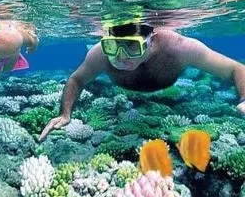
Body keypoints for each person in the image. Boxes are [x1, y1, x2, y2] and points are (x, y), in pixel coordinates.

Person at [38, 20, 245, 142]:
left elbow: (236, 68)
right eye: (113, 47)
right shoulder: (100, 54)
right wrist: (65, 114)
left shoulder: (179, 48)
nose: (121, 57)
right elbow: (77, 78)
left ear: (150, 41)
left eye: (132, 47)